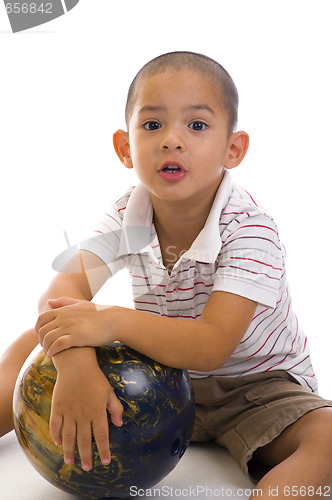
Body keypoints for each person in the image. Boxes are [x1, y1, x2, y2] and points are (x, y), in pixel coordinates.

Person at [1, 51, 332, 499]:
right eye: (152, 125)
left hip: (256, 388)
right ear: (124, 147)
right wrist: (76, 363)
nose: (172, 140)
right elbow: (64, 290)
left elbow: (213, 344)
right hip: (160, 377)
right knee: (34, 340)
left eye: (196, 126)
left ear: (233, 149)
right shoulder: (128, 214)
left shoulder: (251, 230)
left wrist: (111, 320)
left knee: (328, 435)